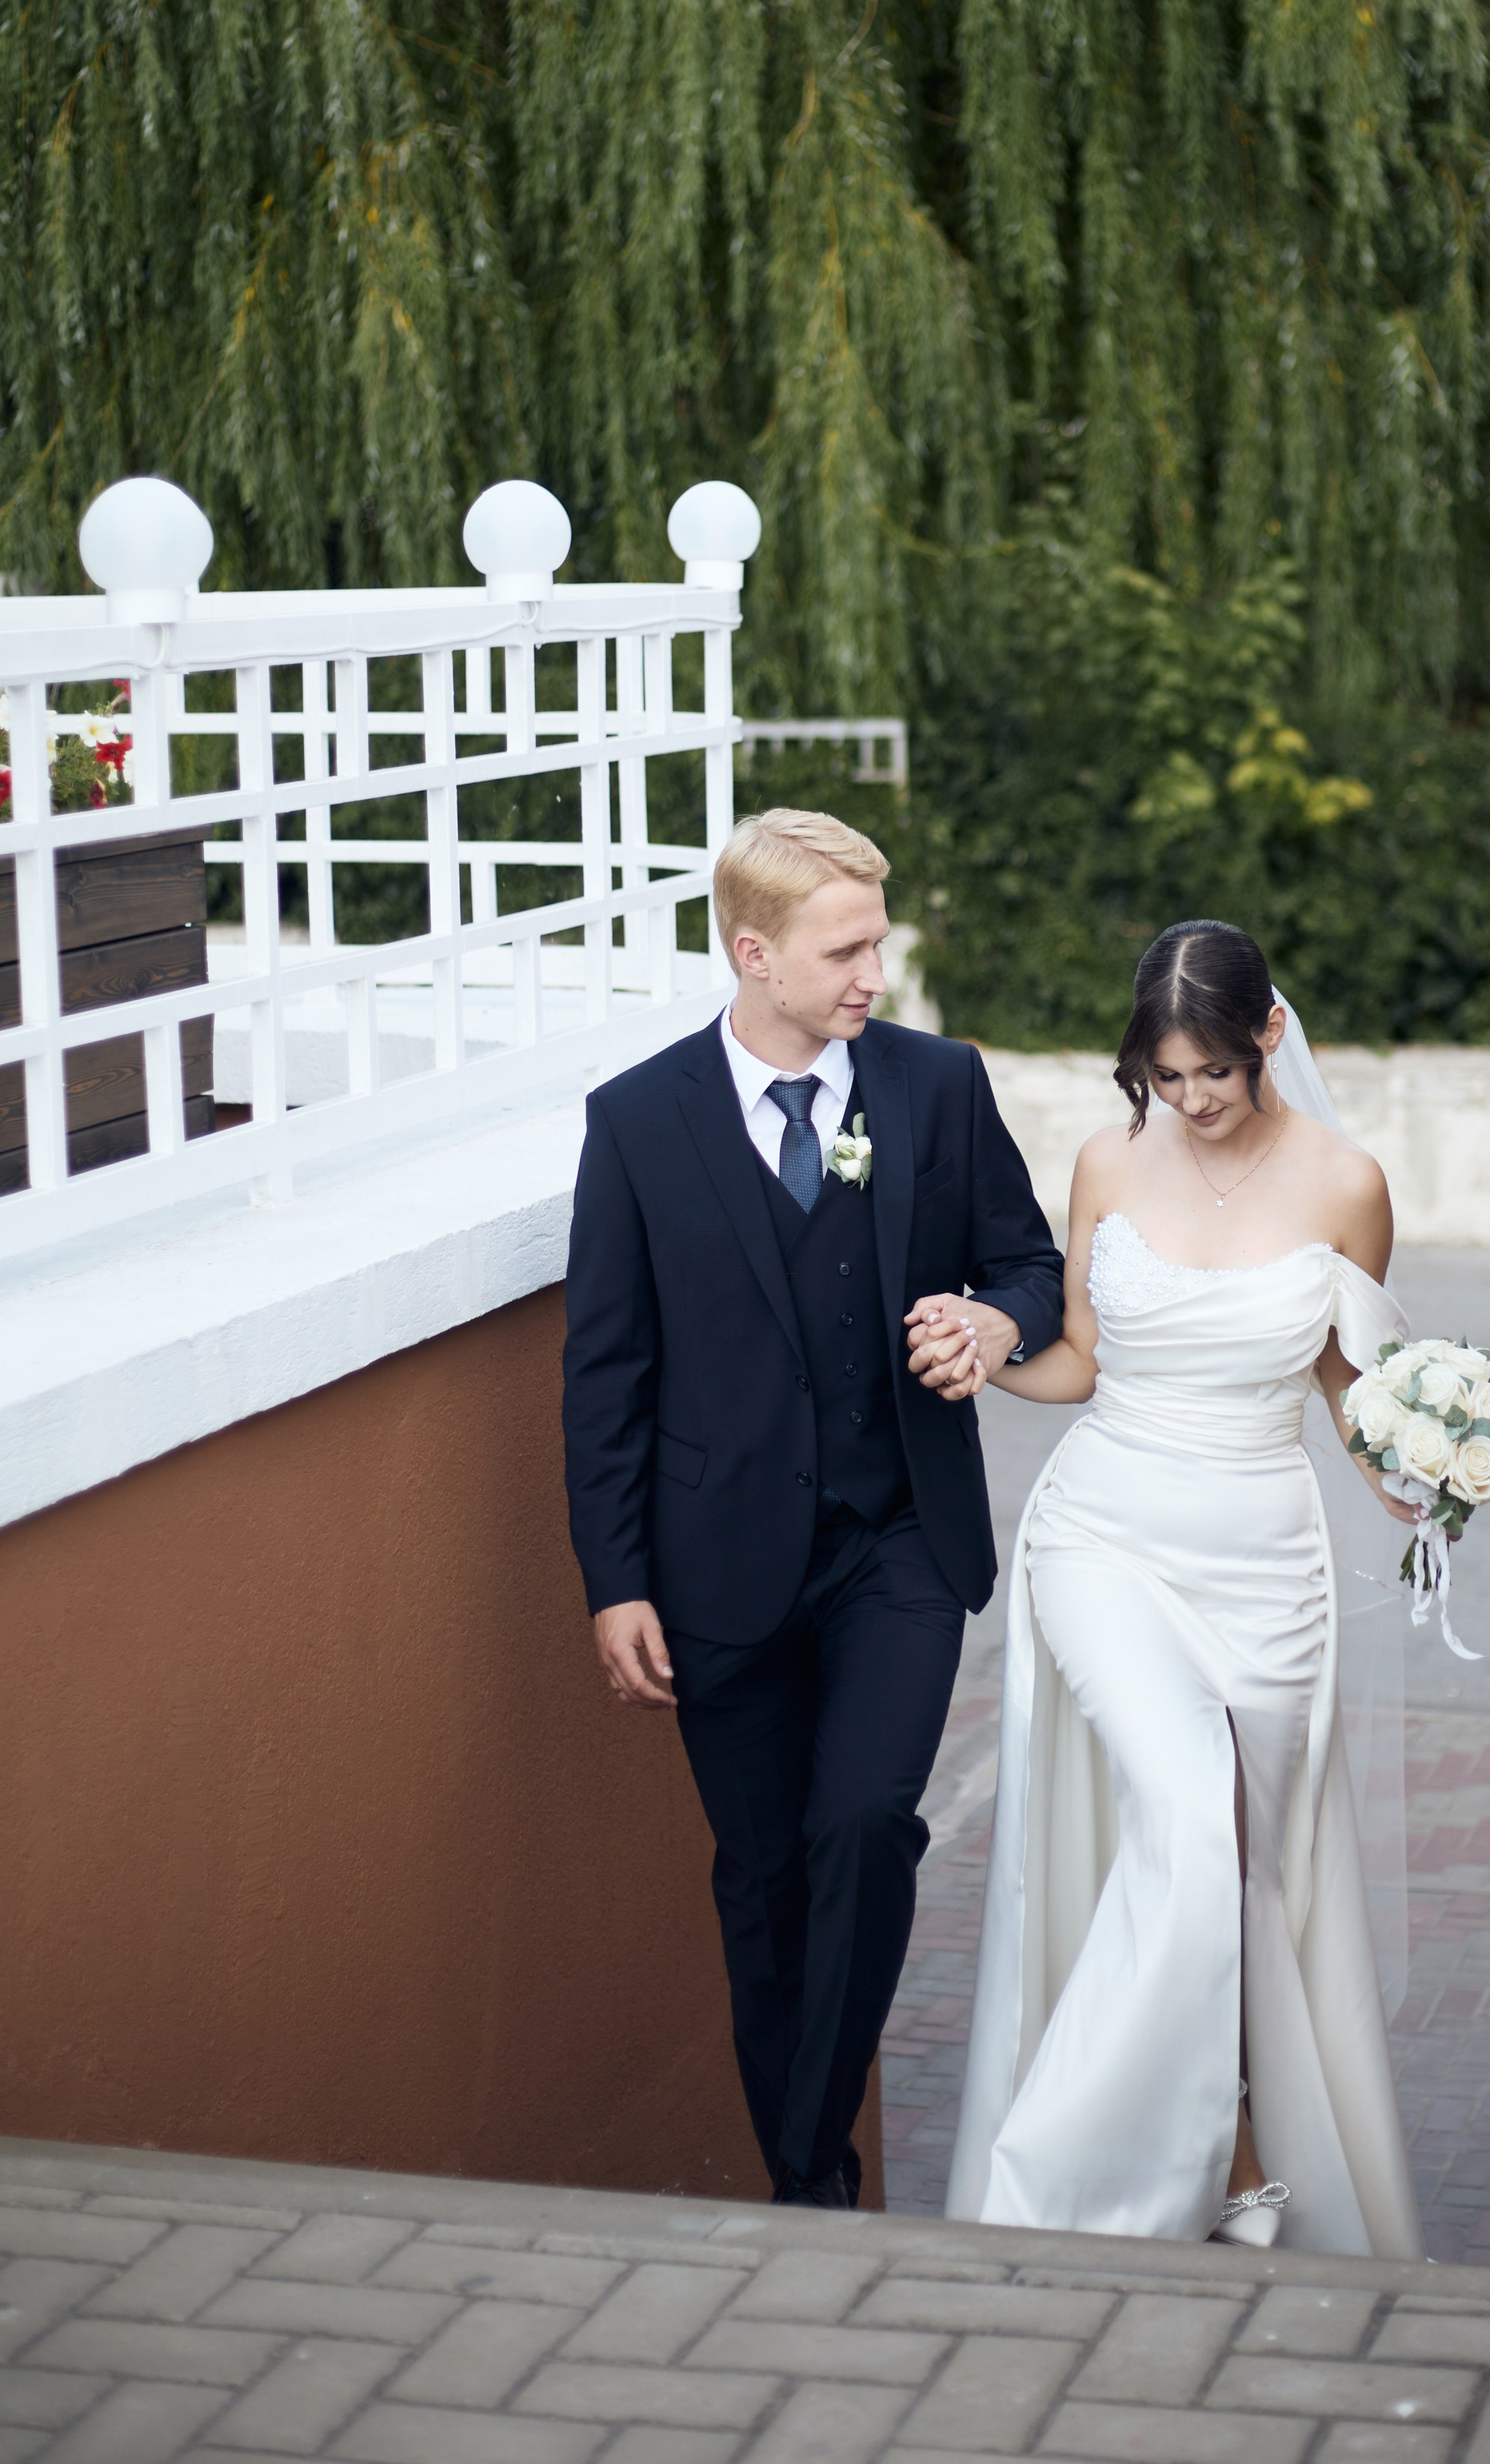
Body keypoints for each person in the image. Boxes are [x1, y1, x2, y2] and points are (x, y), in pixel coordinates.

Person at [561, 807, 1065, 2209]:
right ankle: (813, 2172)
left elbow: (1031, 1265)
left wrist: (991, 1321)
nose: (873, 978)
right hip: (714, 1569)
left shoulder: (936, 1088)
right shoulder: (639, 1123)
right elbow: (605, 1375)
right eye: (845, 951)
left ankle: (804, 2178)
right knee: (764, 1875)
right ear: (753, 953)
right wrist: (616, 1581)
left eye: (878, 944)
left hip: (898, 1540)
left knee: (864, 1829)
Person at [941, 917, 1425, 2254]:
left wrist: (1426, 1469)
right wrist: (988, 1346)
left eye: (1214, 1072)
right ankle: (1065, 2168)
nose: (1194, 1102)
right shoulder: (1107, 1159)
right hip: (1102, 1535)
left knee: (1252, 1870)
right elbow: (1082, 1361)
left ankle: (1247, 2158)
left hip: (1266, 1560)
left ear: (1270, 1037)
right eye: (1167, 1078)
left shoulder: (1346, 1185)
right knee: (1182, 1814)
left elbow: (1351, 1382)